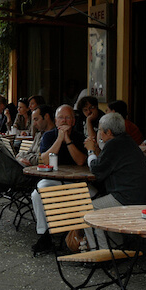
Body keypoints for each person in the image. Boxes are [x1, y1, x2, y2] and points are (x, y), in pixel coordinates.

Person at [83, 113, 146, 248]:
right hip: (140, 197)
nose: (99, 133)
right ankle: (115, 247)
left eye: (99, 130)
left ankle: (100, 250)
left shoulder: (114, 145)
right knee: (100, 203)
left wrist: (91, 151)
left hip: (126, 199)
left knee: (89, 210)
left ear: (108, 132)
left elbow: (97, 170)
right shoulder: (127, 142)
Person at [30, 104, 87, 253]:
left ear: (73, 121)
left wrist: (67, 140)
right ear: (55, 121)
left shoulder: (80, 137)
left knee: (89, 195)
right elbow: (46, 160)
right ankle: (44, 235)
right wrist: (60, 138)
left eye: (68, 117)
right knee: (37, 193)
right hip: (54, 179)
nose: (64, 121)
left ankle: (79, 236)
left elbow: (81, 161)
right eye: (61, 118)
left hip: (76, 181)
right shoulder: (49, 136)